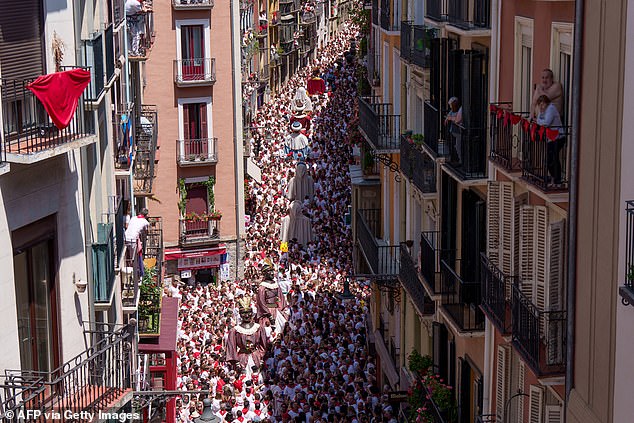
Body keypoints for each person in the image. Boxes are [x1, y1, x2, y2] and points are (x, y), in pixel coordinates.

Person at [535, 95, 565, 186]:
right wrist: (540, 121)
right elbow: (538, 120)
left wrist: (540, 121)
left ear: (547, 103)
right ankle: (553, 179)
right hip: (551, 138)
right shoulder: (543, 111)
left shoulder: (551, 109)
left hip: (558, 137)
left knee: (554, 158)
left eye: (542, 104)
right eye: (539, 104)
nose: (541, 106)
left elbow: (546, 123)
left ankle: (557, 181)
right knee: (549, 160)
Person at [444, 97, 463, 164]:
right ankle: (455, 158)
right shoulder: (452, 111)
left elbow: (457, 120)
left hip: (458, 132)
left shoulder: (460, 110)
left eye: (451, 105)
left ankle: (460, 160)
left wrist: (450, 118)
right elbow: (449, 115)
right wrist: (447, 118)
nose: (450, 107)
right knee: (455, 146)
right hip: (453, 131)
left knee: (458, 147)